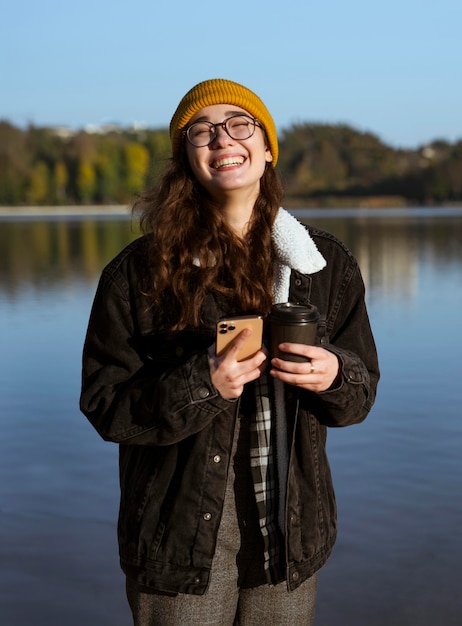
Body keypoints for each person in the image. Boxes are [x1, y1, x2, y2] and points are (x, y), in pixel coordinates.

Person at [80, 78, 379, 625]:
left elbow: (360, 397)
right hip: (179, 543)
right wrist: (202, 385)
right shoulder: (137, 273)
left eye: (240, 124)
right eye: (202, 130)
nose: (223, 139)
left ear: (266, 148)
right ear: (185, 158)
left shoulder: (325, 265)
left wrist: (336, 374)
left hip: (286, 537)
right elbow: (106, 406)